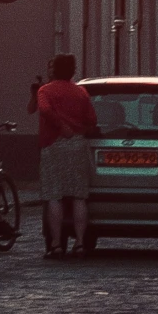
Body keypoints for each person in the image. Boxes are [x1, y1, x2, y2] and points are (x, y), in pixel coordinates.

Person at [36, 52, 98, 259]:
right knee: (79, 196)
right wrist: (80, 128)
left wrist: (60, 125)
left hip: (53, 145)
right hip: (78, 145)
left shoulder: (45, 90)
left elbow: (44, 110)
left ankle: (56, 243)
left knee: (54, 196)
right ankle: (80, 242)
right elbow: (92, 119)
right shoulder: (80, 92)